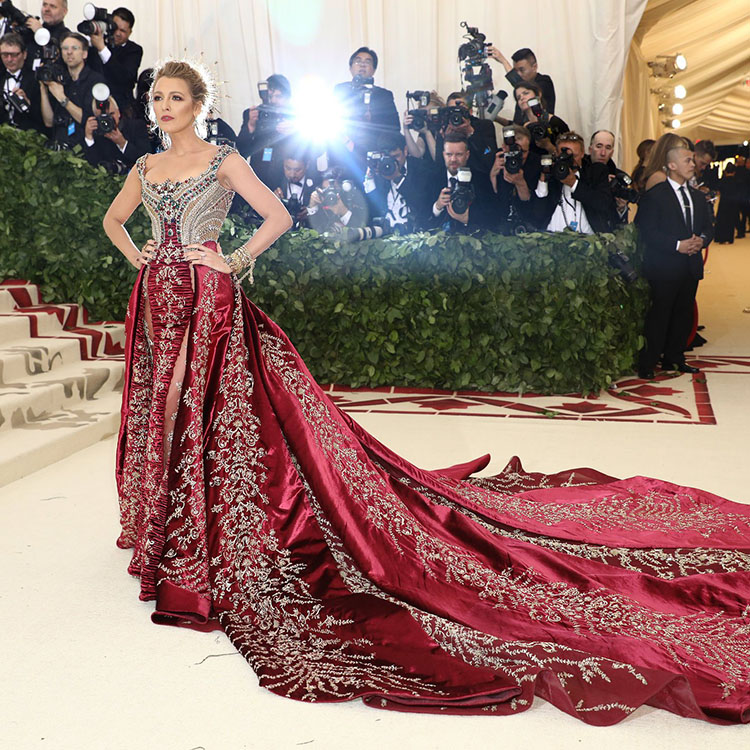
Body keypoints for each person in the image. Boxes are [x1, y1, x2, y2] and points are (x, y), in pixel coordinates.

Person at [104, 59, 750, 727]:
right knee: (165, 407)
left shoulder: (223, 159)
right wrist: (143, 257)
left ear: (199, 102)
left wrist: (230, 259)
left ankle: (205, 527)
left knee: (206, 406)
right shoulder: (145, 169)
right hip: (158, 298)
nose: (164, 106)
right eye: (157, 97)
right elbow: (114, 222)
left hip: (210, 297)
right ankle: (175, 524)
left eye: (176, 96)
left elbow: (277, 216)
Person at [635, 141, 713, 379]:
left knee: (683, 313)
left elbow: (709, 227)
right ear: (671, 165)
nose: (692, 164)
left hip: (690, 266)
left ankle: (675, 358)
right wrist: (677, 245)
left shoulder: (698, 198)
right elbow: (645, 230)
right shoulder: (656, 195)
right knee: (660, 314)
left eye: (692, 160)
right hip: (664, 266)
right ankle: (648, 363)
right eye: (687, 160)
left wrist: (701, 240)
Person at [331, 46, 400, 179]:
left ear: (373, 70)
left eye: (368, 62)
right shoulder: (340, 90)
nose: (362, 64)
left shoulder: (384, 95)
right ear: (350, 68)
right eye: (358, 61)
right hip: (343, 157)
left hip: (373, 161)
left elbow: (394, 127)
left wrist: (372, 119)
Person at [533, 131, 615, 234]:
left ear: (582, 154)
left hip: (589, 241)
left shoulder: (596, 172)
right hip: (551, 240)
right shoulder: (552, 176)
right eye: (564, 156)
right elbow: (537, 214)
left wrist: (574, 184)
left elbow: (603, 203)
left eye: (573, 156)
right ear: (557, 154)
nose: (568, 161)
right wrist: (543, 182)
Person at [38, 31, 106, 148]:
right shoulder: (61, 79)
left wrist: (63, 99)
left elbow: (88, 120)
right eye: (65, 48)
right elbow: (49, 122)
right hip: (60, 144)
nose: (69, 52)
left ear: (84, 53)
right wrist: (43, 89)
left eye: (74, 48)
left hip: (84, 148)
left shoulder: (95, 80)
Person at [363, 131, 431, 233]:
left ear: (405, 150)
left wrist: (398, 178)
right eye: (387, 158)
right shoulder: (379, 170)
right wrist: (370, 179)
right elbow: (373, 210)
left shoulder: (422, 170)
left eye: (395, 157)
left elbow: (423, 208)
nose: (391, 162)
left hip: (415, 234)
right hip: (386, 236)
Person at [236, 73, 295, 188]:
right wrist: (251, 125)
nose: (273, 100)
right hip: (260, 175)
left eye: (279, 96)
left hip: (288, 177)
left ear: (288, 97)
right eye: (270, 96)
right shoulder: (257, 113)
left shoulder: (296, 116)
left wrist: (295, 131)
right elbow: (242, 150)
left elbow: (314, 151)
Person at [426, 134, 492, 232]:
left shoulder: (481, 179)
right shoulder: (432, 178)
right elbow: (423, 218)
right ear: (443, 155)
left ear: (467, 155)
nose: (453, 159)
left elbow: (491, 216)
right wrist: (438, 206)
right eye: (449, 154)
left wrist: (468, 219)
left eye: (459, 154)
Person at [87, 6, 143, 113]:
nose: (117, 33)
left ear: (130, 32)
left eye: (122, 31)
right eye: (115, 28)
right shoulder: (97, 43)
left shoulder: (134, 50)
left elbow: (125, 77)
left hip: (121, 108)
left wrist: (102, 49)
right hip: (93, 105)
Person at [487, 46, 556, 124]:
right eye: (515, 70)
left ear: (534, 67)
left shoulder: (544, 82)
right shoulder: (522, 95)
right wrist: (495, 117)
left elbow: (521, 85)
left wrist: (503, 61)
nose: (518, 74)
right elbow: (518, 126)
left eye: (521, 70)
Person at [82, 92, 149, 171]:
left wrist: (123, 143)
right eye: (103, 117)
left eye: (111, 114)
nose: (108, 120)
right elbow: (93, 165)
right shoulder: (96, 134)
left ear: (119, 113)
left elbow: (146, 159)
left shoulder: (136, 126)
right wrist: (89, 138)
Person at [0, 31, 46, 134]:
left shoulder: (36, 79)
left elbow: (44, 120)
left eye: (14, 55)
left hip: (28, 138)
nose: (9, 59)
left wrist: (28, 104)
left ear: (24, 54)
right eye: (4, 55)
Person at [512, 83, 568, 157]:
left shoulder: (555, 122)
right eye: (518, 98)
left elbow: (568, 155)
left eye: (526, 93)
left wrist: (548, 146)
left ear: (538, 94)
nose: (522, 98)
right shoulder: (525, 128)